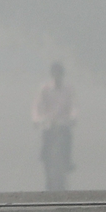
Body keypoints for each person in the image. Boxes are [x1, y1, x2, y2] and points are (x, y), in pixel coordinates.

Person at [33, 62, 75, 191]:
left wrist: (73, 118)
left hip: (63, 123)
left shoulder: (68, 89)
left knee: (67, 138)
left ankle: (67, 160)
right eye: (55, 73)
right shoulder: (45, 89)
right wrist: (37, 119)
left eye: (59, 74)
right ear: (52, 74)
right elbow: (37, 106)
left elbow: (74, 106)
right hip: (49, 123)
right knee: (46, 143)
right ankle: (45, 158)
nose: (57, 76)